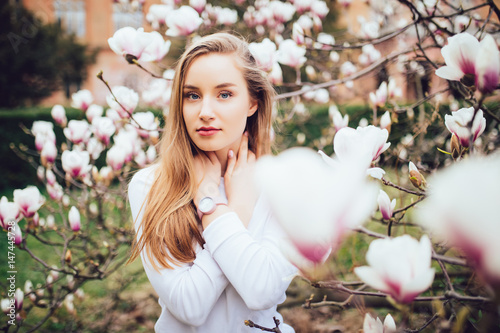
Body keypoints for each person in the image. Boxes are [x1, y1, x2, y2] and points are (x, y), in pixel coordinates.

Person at [127, 32, 297, 333]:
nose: (205, 112)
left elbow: (262, 290)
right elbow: (188, 307)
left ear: (252, 103)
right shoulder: (151, 186)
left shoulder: (282, 185)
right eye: (192, 95)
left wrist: (215, 210)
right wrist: (233, 210)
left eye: (224, 94)